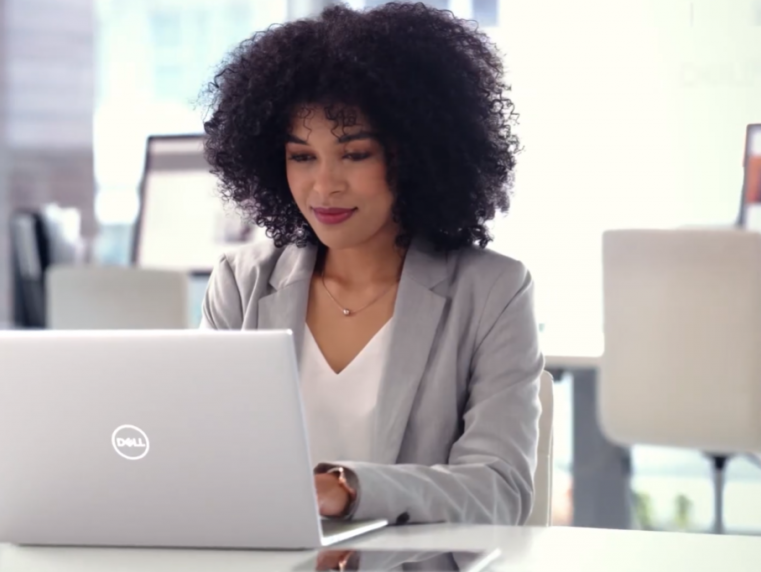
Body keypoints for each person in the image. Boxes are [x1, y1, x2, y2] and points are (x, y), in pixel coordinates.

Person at [198, 3, 543, 526]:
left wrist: (347, 490)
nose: (325, 185)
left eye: (354, 154)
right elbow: (201, 460)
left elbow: (499, 492)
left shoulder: (493, 291)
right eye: (302, 156)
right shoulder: (241, 283)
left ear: (414, 154)